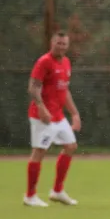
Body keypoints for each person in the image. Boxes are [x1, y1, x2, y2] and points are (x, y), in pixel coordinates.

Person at [24, 31, 81, 207]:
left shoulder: (66, 62)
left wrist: (74, 113)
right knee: (39, 151)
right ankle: (30, 196)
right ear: (52, 43)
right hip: (42, 117)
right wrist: (41, 108)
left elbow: (64, 90)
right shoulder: (44, 62)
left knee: (70, 146)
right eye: (58, 43)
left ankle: (57, 191)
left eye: (64, 44)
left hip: (58, 116)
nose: (61, 46)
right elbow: (33, 87)